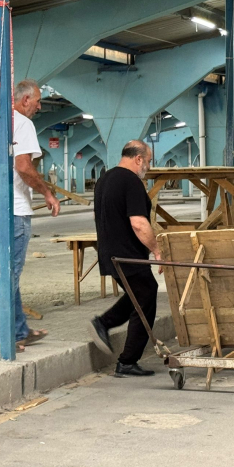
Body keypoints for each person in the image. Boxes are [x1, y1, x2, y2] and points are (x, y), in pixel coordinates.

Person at [0, 79, 60, 354]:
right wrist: (47, 193)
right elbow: (24, 167)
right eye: (37, 101)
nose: (39, 107)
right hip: (13, 210)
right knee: (9, 275)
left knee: (8, 271)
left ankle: (19, 330)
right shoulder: (22, 124)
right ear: (25, 100)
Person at [88, 140, 160, 378]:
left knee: (137, 295)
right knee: (146, 296)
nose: (148, 167)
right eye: (148, 161)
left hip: (109, 252)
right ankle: (127, 360)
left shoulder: (104, 179)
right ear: (138, 159)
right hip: (128, 255)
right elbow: (138, 223)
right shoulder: (131, 181)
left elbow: (102, 216)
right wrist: (157, 249)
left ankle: (104, 323)